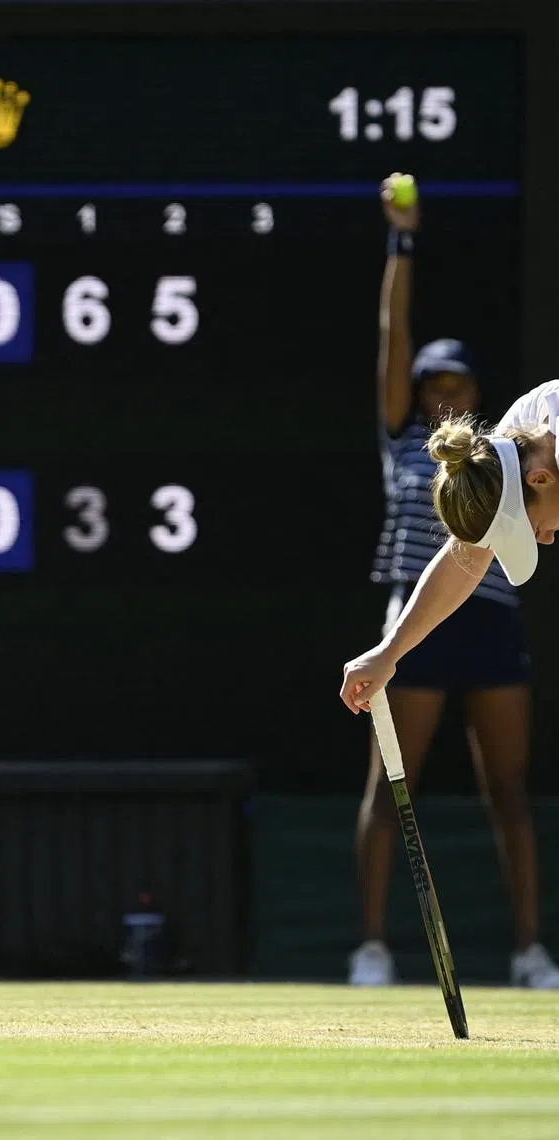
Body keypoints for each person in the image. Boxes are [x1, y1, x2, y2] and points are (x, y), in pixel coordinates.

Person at [343, 175, 559, 989]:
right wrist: (389, 652)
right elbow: (469, 557)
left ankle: (530, 949)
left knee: (510, 789)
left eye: (528, 526)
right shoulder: (515, 443)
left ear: (539, 479)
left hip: (490, 635)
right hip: (428, 626)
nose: (541, 539)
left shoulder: (534, 451)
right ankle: (371, 946)